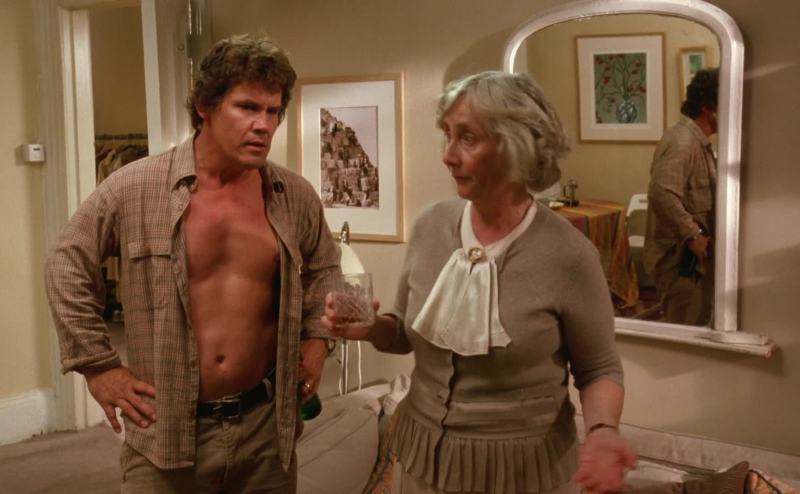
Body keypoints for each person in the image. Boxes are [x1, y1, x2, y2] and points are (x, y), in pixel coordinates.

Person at [45, 34, 340, 493]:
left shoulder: (292, 195)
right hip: (166, 429)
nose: (263, 125)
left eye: (273, 111)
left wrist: (317, 338)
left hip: (264, 427)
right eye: (247, 107)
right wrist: (97, 365)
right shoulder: (135, 186)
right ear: (205, 105)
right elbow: (66, 265)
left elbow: (324, 268)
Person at [324, 71, 635, 494]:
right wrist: (370, 328)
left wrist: (603, 431)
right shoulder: (430, 226)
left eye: (467, 138)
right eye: (447, 134)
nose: (448, 155)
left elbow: (598, 368)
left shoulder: (569, 254)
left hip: (523, 475)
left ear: (514, 147)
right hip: (421, 464)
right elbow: (403, 333)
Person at [644, 68, 719, 326]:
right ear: (708, 108)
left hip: (693, 264)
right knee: (687, 332)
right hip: (681, 265)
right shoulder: (684, 143)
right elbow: (661, 192)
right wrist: (693, 234)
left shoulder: (698, 143)